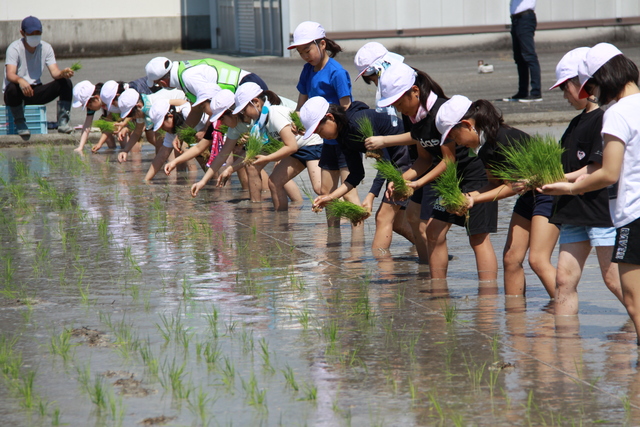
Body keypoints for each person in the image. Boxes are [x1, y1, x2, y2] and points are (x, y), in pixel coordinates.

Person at [540, 43, 640, 342]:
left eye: (592, 85)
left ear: (604, 77)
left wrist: (568, 187)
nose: (592, 94)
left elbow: (607, 172)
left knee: (634, 301)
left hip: (631, 214)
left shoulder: (616, 113)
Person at [376, 63, 498, 281]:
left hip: (474, 176)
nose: (398, 109)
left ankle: (486, 304)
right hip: (450, 182)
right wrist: (401, 179)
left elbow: (448, 160)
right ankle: (437, 291)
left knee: (477, 238)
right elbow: (425, 159)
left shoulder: (441, 112)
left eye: (399, 102)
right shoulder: (417, 118)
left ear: (415, 91)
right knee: (433, 232)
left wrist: (418, 184)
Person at [436, 95, 558, 296]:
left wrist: (474, 199)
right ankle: (514, 318)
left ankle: (565, 312)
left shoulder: (502, 139)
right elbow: (494, 183)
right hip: (529, 196)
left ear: (467, 125)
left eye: (453, 136)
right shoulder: (483, 147)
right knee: (511, 258)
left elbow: (512, 187)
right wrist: (467, 197)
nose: (455, 143)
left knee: (537, 260)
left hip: (550, 193)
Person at [300, 96, 414, 251]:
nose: (321, 137)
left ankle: (384, 271)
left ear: (330, 117)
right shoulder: (343, 136)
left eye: (319, 130)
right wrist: (330, 197)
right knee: (398, 224)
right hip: (394, 162)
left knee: (382, 218)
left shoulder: (357, 123)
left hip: (407, 156)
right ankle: (429, 256)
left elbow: (385, 164)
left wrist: (371, 195)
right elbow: (356, 174)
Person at [288, 21, 360, 227]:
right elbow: (300, 105)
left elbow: (347, 108)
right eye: (300, 52)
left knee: (350, 196)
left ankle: (356, 252)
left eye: (307, 50)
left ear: (322, 44)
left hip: (343, 143)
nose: (305, 56)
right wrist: (297, 122)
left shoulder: (336, 72)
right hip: (326, 142)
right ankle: (333, 247)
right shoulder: (307, 70)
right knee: (326, 194)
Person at [144, 56, 267, 127]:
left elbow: (215, 104)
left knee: (266, 134)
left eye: (158, 83)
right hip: (245, 87)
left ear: (163, 81)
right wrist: (184, 132)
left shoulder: (188, 77)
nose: (160, 86)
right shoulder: (184, 73)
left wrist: (205, 130)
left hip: (247, 87)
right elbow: (197, 109)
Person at [3, 16, 74, 137]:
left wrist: (63, 73)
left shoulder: (46, 48)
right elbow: (10, 74)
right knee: (12, 88)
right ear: (22, 33)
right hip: (17, 92)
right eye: (31, 33)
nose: (35, 35)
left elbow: (55, 72)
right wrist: (21, 80)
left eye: (38, 33)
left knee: (65, 82)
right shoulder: (14, 48)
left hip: (35, 90)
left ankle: (63, 122)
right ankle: (20, 122)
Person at [502, 0, 542, 103]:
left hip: (525, 18)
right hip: (516, 19)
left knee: (529, 55)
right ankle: (522, 91)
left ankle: (536, 92)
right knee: (519, 57)